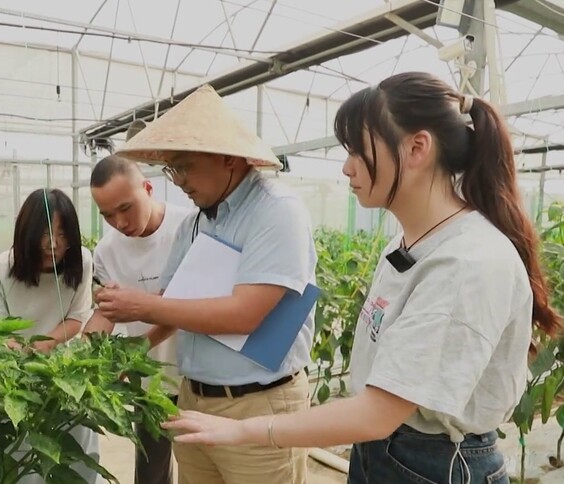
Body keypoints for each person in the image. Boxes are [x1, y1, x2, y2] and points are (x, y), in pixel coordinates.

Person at [162, 71, 563, 484]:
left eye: (357, 150)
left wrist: (244, 429)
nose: (347, 167)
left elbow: (378, 413)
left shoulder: (468, 262)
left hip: (435, 463)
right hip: (386, 452)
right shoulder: (407, 244)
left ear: (417, 148)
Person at [94, 84, 318, 484]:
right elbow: (173, 303)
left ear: (228, 159)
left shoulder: (275, 212)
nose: (178, 181)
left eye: (184, 166)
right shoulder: (199, 220)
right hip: (196, 399)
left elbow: (246, 313)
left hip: (258, 405)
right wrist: (132, 352)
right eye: (171, 170)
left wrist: (141, 307)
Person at [82, 134, 191, 483]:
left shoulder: (188, 228)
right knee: (151, 472)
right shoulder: (107, 251)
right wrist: (89, 349)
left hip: (195, 375)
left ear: (147, 188)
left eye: (125, 208)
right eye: (107, 215)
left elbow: (186, 308)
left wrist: (138, 348)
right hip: (149, 383)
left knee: (202, 466)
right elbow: (107, 313)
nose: (119, 223)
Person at [0, 187, 100, 484]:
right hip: (13, 376)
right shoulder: (2, 267)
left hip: (63, 375)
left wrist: (46, 344)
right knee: (23, 465)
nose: (54, 244)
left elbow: (77, 317)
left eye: (62, 234)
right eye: (44, 234)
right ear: (25, 232)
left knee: (77, 456)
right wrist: (22, 352)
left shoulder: (81, 260)